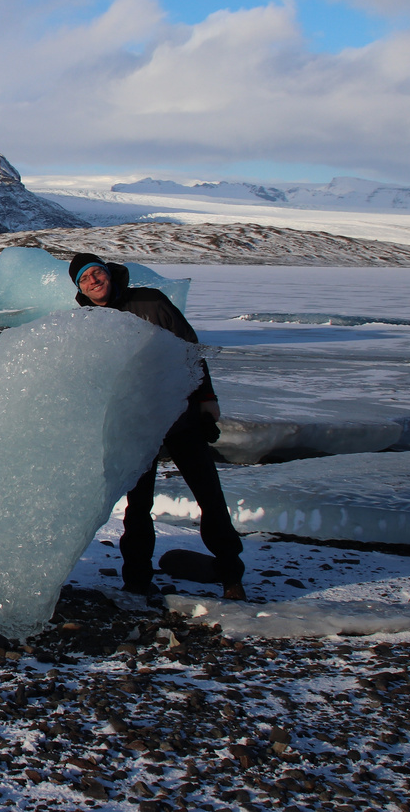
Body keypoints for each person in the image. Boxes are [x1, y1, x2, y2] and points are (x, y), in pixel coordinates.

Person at [67, 252, 247, 601]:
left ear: (109, 274)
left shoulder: (150, 301)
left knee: (209, 495)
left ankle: (231, 576)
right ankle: (136, 580)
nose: (93, 280)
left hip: (179, 413)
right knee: (138, 504)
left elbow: (189, 349)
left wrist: (207, 398)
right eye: (84, 278)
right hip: (135, 422)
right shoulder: (88, 321)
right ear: (80, 289)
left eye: (96, 273)